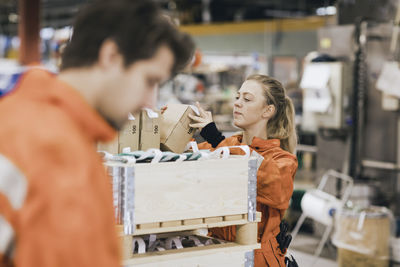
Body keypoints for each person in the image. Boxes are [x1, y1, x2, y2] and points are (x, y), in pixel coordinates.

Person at [0, 1, 194, 266]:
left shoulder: (81, 148)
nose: (149, 101)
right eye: (149, 80)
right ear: (111, 56)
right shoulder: (19, 138)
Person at [189, 74, 298, 267]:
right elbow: (184, 157)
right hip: (218, 251)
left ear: (268, 111)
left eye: (247, 99)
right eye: (237, 97)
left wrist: (216, 141)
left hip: (258, 257)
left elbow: (261, 179)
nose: (237, 103)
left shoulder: (282, 160)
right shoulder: (226, 145)